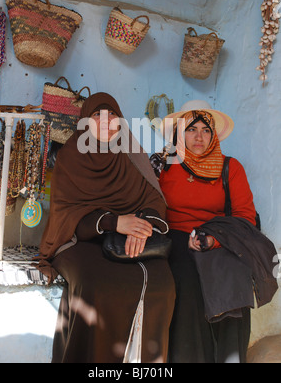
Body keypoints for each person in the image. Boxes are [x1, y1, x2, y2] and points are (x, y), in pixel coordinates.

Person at [37, 92, 176, 364]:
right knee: (95, 286)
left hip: (132, 237)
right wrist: (114, 222)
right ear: (85, 123)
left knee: (163, 284)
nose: (106, 121)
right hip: (82, 240)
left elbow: (153, 199)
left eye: (112, 115)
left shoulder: (130, 153)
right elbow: (67, 214)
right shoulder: (71, 156)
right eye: (97, 116)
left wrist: (140, 226)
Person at [150, 100, 278, 364]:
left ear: (214, 135)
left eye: (206, 130)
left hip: (221, 236)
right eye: (191, 129)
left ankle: (231, 358)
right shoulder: (163, 166)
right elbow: (149, 207)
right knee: (186, 282)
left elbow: (245, 216)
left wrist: (214, 240)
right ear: (179, 134)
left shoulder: (230, 168)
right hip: (174, 235)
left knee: (234, 277)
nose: (199, 136)